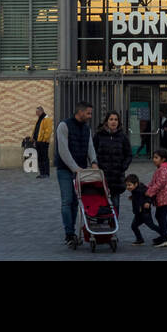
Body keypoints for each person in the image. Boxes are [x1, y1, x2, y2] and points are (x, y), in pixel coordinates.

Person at [55, 100, 98, 248]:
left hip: (81, 171)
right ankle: (69, 233)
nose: (90, 116)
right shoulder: (64, 125)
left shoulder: (86, 128)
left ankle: (72, 233)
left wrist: (94, 161)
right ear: (80, 112)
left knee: (76, 202)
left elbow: (90, 145)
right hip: (65, 170)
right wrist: (74, 168)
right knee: (67, 201)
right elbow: (63, 150)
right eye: (88, 113)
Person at [93, 110, 132, 213]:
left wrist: (123, 167)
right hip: (101, 175)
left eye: (116, 119)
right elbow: (92, 152)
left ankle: (113, 226)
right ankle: (100, 224)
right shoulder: (99, 135)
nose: (113, 122)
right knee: (100, 203)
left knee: (115, 203)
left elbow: (128, 155)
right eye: (111, 119)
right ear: (106, 121)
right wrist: (95, 165)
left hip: (117, 176)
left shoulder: (123, 137)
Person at [144, 148, 167, 247]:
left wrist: (149, 192)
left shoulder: (163, 169)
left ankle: (164, 237)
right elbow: (154, 182)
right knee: (159, 216)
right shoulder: (163, 168)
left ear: (163, 159)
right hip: (164, 196)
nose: (154, 159)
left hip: (165, 197)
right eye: (153, 157)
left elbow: (160, 183)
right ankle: (163, 235)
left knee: (161, 216)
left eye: (156, 157)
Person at [124, 173, 158, 245]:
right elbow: (139, 197)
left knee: (152, 226)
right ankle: (140, 240)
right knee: (134, 226)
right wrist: (132, 197)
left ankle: (164, 234)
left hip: (145, 213)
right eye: (126, 185)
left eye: (129, 185)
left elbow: (150, 195)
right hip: (138, 213)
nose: (127, 187)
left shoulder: (142, 189)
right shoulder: (135, 190)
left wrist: (148, 202)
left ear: (136, 184)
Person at [33, 106, 53, 178]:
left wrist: (44, 140)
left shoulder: (47, 119)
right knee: (40, 158)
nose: (36, 113)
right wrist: (33, 139)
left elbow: (48, 131)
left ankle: (46, 173)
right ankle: (42, 173)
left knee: (44, 157)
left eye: (37, 112)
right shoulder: (40, 119)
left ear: (41, 111)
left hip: (43, 142)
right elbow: (36, 130)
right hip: (38, 142)